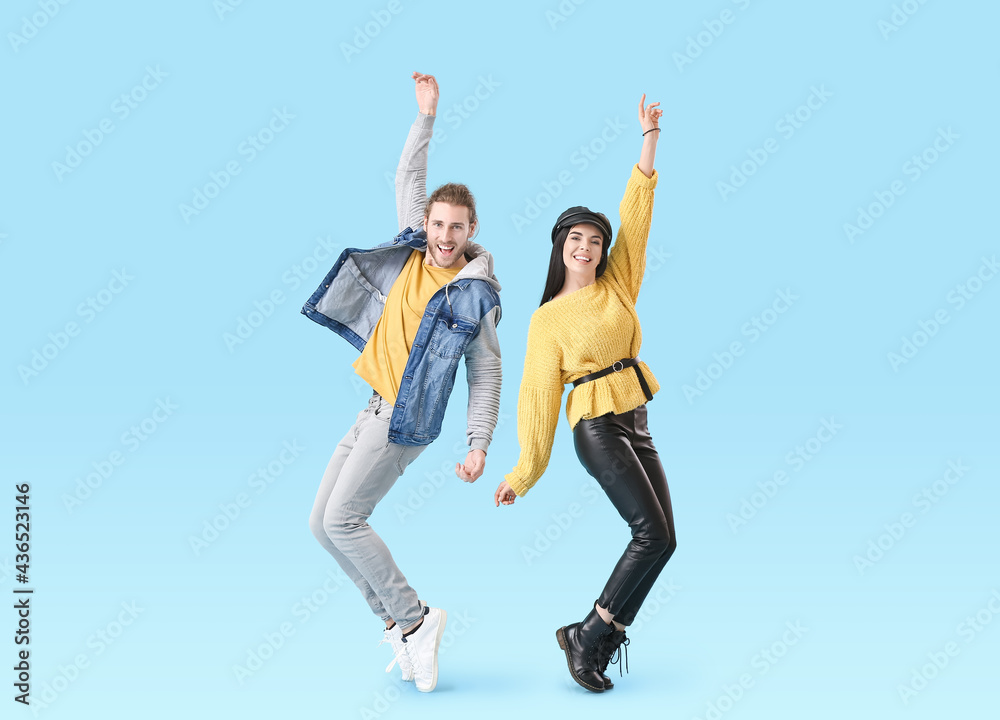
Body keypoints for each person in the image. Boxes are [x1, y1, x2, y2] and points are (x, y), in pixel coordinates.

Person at [302, 72, 502, 693]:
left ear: (472, 230)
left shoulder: (475, 297)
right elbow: (408, 179)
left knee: (345, 521)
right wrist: (427, 117)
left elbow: (487, 369)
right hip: (372, 406)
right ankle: (396, 624)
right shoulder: (414, 249)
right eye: (437, 224)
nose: (444, 237)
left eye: (456, 228)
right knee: (320, 524)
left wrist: (478, 444)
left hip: (405, 417)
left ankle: (416, 620)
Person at [494, 94, 675, 693]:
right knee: (647, 532)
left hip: (636, 418)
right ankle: (591, 639)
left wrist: (648, 140)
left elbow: (637, 217)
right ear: (560, 246)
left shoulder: (619, 281)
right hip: (595, 427)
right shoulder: (547, 320)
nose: (586, 247)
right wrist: (524, 472)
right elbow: (539, 398)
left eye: (595, 240)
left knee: (665, 539)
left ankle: (588, 633)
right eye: (576, 238)